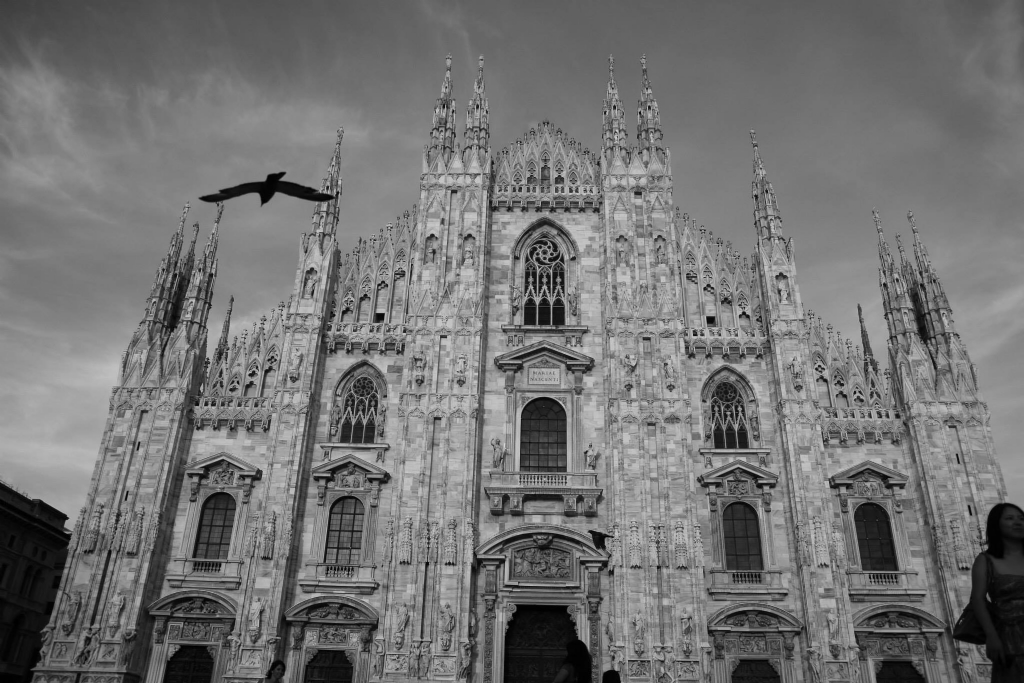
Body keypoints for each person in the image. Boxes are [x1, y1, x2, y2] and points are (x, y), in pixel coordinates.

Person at [970, 502, 1024, 681]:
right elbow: (977, 600)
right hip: (1010, 636)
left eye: (1021, 518)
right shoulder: (985, 560)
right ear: (996, 524)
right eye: (1010, 518)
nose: (1018, 522)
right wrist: (992, 636)